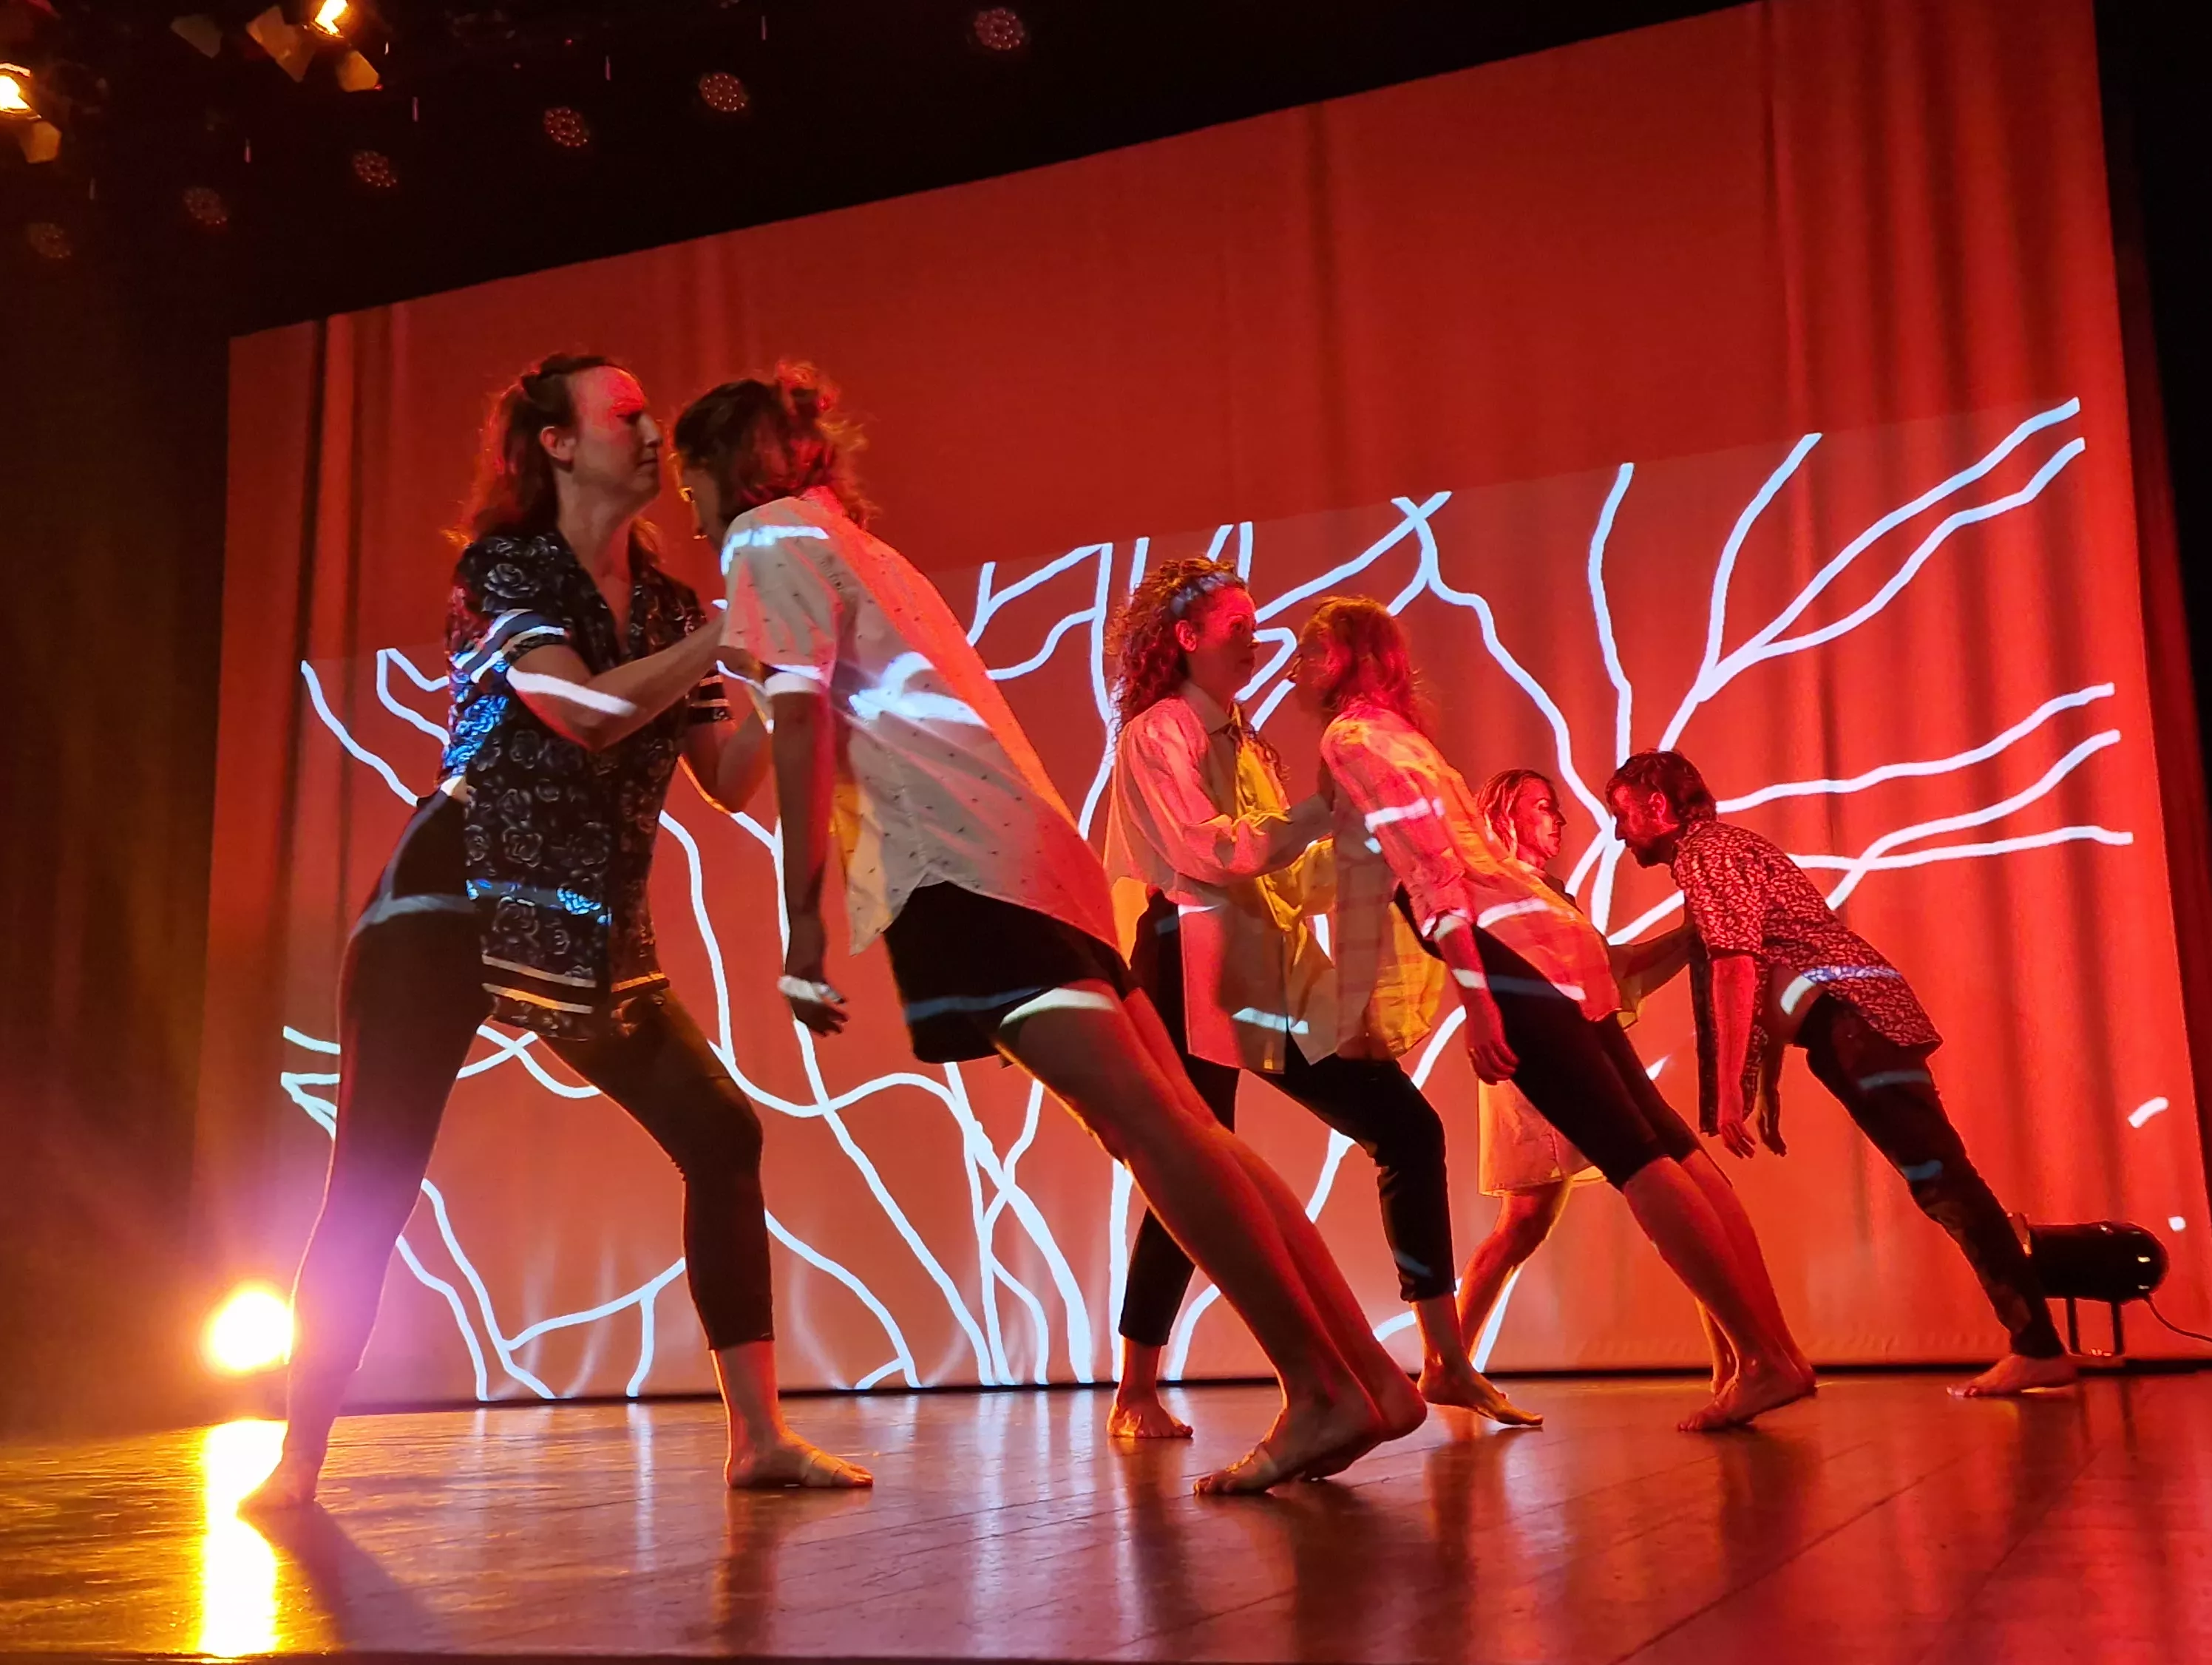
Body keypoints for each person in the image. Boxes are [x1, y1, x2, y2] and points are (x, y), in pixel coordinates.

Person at [674, 367, 1425, 1492]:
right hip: (1030, 855)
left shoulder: (766, 535)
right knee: (1181, 1125)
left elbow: (796, 736)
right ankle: (1367, 1377)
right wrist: (686, 681)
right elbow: (737, 768)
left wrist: (800, 927)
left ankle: (1322, 1387)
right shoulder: (858, 547)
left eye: (688, 484)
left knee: (1152, 1131)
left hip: (955, 869)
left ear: (726, 468)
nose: (689, 516)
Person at [251, 353, 865, 1513]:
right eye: (627, 415)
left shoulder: (671, 606)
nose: (654, 433)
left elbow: (728, 777)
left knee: (721, 1134)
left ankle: (759, 1439)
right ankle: (296, 1461)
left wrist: (809, 674)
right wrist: (723, 640)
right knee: (374, 1183)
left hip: (587, 927)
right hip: (451, 905)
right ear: (558, 444)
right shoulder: (505, 569)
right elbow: (577, 711)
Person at [1300, 597, 1813, 1431]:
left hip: (1507, 954)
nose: (1295, 665)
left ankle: (1763, 1356)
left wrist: (1478, 999)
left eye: (1311, 649)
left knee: (1635, 1158)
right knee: (1667, 1149)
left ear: (1351, 658)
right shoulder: (1409, 739)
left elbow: (1431, 876)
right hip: (1551, 944)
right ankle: (1775, 1353)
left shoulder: (1353, 738)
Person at [1098, 557, 1533, 1440]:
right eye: (1237, 626)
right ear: (1186, 636)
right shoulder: (1158, 730)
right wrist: (1315, 816)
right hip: (1191, 957)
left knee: (1405, 1128)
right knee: (1197, 1167)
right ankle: (1135, 1385)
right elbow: (1206, 848)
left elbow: (1290, 879)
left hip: (1270, 958)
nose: (1257, 641)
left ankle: (1445, 1357)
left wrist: (1379, 839)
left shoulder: (1243, 738)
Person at [1605, 748, 2077, 1397]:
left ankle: (2038, 1345)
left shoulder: (1705, 854)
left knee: (1943, 1180)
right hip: (1859, 1023)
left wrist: (1732, 1091)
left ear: (1658, 804)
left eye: (1621, 814)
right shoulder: (1729, 849)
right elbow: (1779, 960)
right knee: (1941, 1179)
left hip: (1857, 1024)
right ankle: (2036, 1342)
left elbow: (1738, 966)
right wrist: (1767, 1081)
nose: (1619, 832)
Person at [1453, 770, 1807, 1405]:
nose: (1559, 820)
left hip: (1589, 1056)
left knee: (1677, 1187)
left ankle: (1737, 1361)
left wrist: (1694, 934)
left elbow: (1614, 969)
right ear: (1504, 815)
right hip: (1537, 1066)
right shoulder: (1493, 888)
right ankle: (1448, 1359)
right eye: (1543, 807)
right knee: (1528, 1222)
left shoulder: (1553, 893)